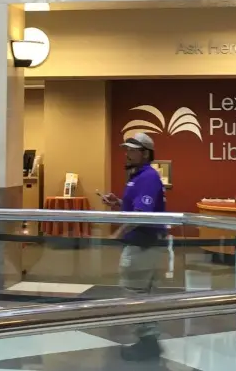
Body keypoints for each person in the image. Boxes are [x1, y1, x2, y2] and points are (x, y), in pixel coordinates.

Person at [101, 132, 166, 361]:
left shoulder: (148, 177)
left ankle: (147, 342)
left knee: (134, 293)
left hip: (142, 245)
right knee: (140, 293)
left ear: (145, 153)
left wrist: (118, 232)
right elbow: (136, 207)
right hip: (141, 244)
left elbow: (141, 214)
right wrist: (118, 203)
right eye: (126, 149)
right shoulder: (138, 176)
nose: (127, 153)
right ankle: (148, 340)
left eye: (131, 150)